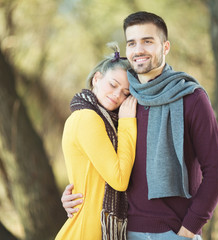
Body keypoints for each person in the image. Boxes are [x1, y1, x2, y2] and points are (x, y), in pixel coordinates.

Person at [62, 11, 218, 240]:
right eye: (132, 43)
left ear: (165, 47)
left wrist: (188, 230)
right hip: (122, 232)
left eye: (147, 41)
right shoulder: (121, 105)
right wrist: (73, 195)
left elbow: (217, 174)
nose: (138, 50)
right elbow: (104, 166)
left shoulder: (191, 98)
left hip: (175, 233)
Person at [55, 42, 137, 240]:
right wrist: (127, 122)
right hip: (85, 231)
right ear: (97, 78)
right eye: (113, 84)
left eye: (125, 93)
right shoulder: (87, 118)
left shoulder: (104, 123)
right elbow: (119, 179)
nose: (117, 95)